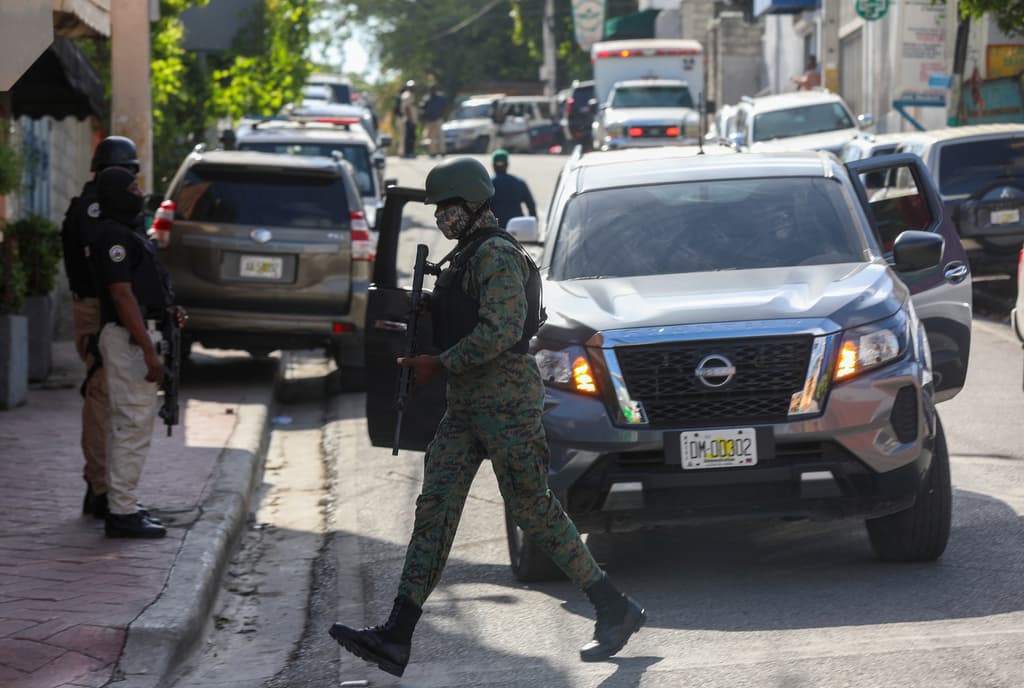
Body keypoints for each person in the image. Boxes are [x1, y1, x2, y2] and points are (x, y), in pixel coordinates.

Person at [328, 157, 645, 677]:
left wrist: (441, 361)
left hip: (506, 404)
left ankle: (614, 607)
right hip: (466, 406)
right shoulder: (466, 256)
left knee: (534, 510)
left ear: (473, 205)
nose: (440, 218)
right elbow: (471, 317)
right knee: (435, 509)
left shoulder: (496, 254)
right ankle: (397, 635)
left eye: (447, 208)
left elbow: (502, 329)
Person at [89, 166, 186, 538]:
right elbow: (121, 294)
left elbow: (144, 288)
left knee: (130, 424)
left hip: (141, 334)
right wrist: (148, 351)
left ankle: (122, 502)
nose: (138, 191)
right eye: (131, 187)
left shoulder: (128, 233)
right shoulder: (112, 237)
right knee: (132, 424)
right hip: (129, 339)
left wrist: (168, 310)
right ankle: (122, 512)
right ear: (115, 193)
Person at [60, 136, 141, 519]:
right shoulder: (94, 207)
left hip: (105, 306)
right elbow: (107, 264)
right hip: (97, 308)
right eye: (130, 176)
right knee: (101, 396)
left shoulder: (97, 204)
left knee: (107, 398)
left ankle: (103, 486)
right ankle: (99, 488)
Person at [489, 148, 537, 228]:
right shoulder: (519, 183)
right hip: (517, 229)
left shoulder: (488, 185)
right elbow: (531, 205)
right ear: (507, 165)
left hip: (495, 230)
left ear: (493, 165)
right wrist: (534, 226)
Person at [420, 84, 448, 158]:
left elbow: (445, 107)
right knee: (431, 137)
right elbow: (422, 108)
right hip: (430, 120)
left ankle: (442, 151)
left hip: (438, 118)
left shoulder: (441, 97)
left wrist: (443, 116)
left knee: (440, 135)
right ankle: (433, 152)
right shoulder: (427, 98)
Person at [400, 80, 418, 159]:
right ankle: (408, 152)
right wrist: (410, 119)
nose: (413, 88)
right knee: (408, 137)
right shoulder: (406, 95)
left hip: (412, 119)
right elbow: (406, 108)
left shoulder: (411, 94)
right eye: (411, 87)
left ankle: (410, 152)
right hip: (409, 120)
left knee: (412, 137)